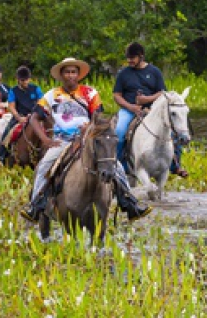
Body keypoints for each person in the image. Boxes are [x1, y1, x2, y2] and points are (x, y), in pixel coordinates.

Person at [21, 57, 152, 223]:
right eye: (67, 72)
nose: (70, 75)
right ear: (61, 75)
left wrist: (89, 128)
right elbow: (34, 118)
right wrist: (45, 139)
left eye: (73, 72)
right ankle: (36, 205)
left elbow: (97, 117)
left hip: (88, 139)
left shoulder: (90, 93)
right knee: (44, 167)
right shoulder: (51, 95)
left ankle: (129, 202)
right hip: (62, 140)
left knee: (115, 165)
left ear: (78, 75)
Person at [113, 42, 186, 178]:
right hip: (129, 110)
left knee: (173, 131)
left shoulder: (154, 72)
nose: (130, 61)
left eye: (133, 58)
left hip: (153, 110)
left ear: (141, 56)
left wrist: (146, 100)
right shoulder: (124, 73)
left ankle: (175, 165)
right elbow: (117, 95)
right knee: (119, 131)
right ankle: (119, 165)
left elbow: (162, 92)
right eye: (128, 58)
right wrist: (131, 107)